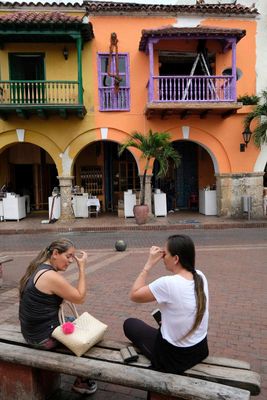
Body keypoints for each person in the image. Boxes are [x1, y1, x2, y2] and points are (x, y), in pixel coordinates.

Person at [19, 238, 97, 395]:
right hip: (42, 338)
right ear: (55, 253)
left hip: (30, 332)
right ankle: (82, 381)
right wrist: (82, 268)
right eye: (68, 256)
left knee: (74, 322)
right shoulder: (50, 276)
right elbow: (80, 298)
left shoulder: (38, 268)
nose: (71, 261)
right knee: (87, 332)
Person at [123, 234, 209, 374]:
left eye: (165, 254)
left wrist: (148, 264)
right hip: (200, 349)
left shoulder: (167, 283)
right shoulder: (200, 276)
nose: (163, 257)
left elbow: (134, 295)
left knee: (130, 324)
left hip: (175, 358)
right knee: (163, 321)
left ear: (176, 259)